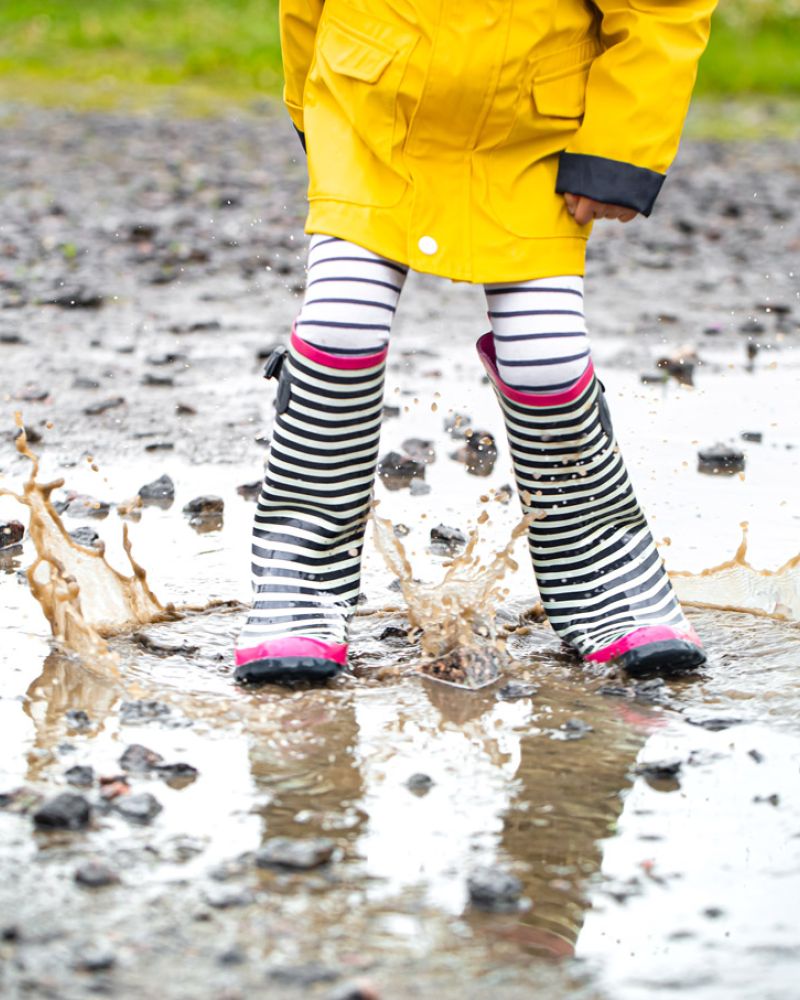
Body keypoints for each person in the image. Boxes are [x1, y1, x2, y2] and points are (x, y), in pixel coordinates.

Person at [234, 0, 717, 684]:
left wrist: (621, 146)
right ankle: (300, 573)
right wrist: (308, 103)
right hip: (370, 108)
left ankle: (602, 565)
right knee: (340, 324)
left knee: (547, 359)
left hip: (531, 130)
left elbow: (663, 8)